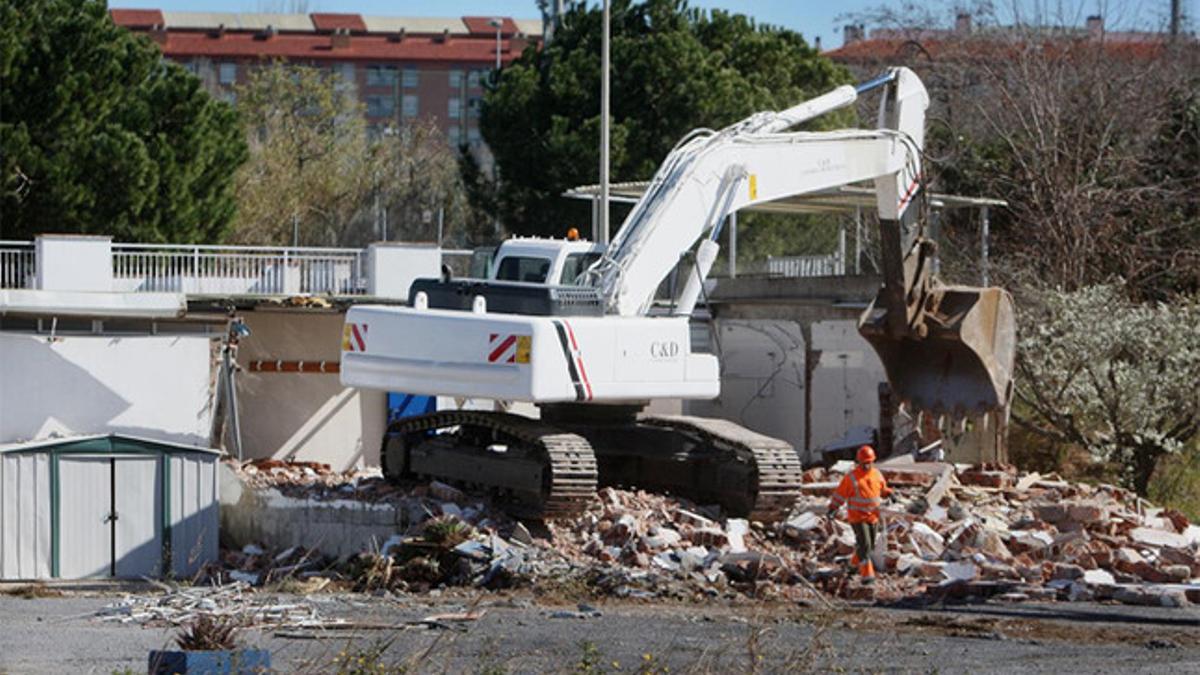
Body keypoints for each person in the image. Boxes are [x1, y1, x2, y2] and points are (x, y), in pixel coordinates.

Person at [826, 445, 892, 583]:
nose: (867, 465)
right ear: (859, 462)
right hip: (857, 517)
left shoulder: (877, 474)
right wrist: (833, 508)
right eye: (864, 463)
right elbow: (840, 494)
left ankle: (852, 566)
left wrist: (890, 494)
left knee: (869, 545)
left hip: (872, 516)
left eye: (869, 462)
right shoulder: (851, 477)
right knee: (865, 546)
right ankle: (867, 576)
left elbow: (882, 489)